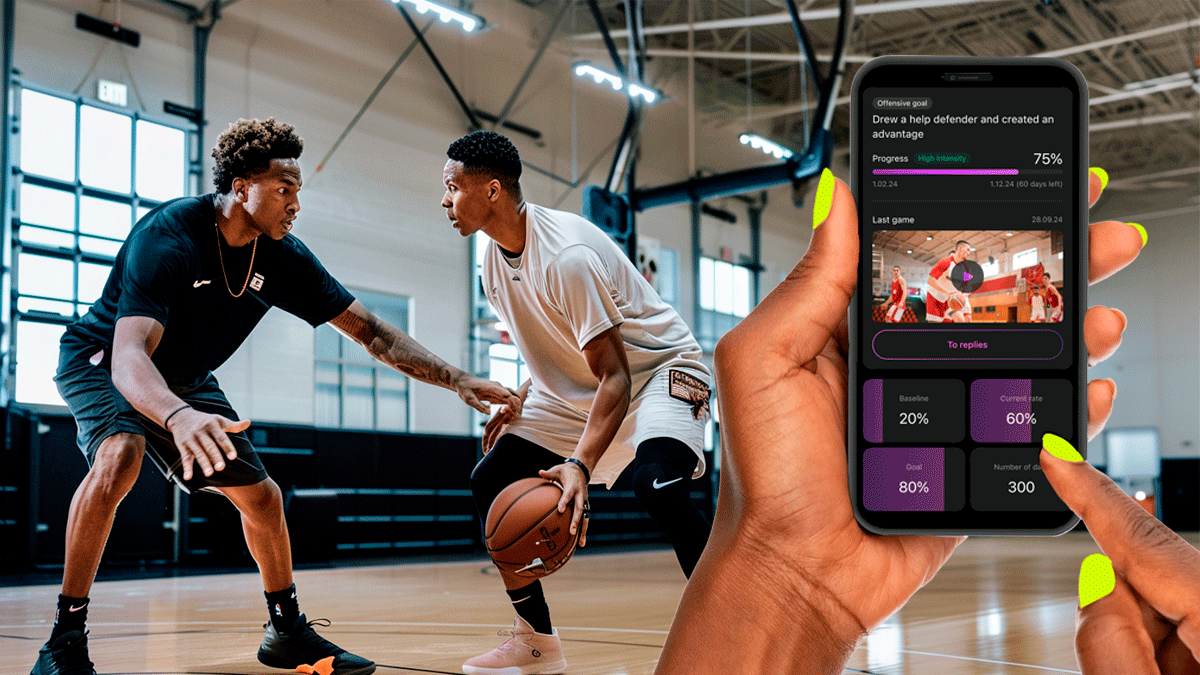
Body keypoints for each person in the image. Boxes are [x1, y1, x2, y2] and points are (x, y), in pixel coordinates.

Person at [31, 118, 521, 675]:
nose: (295, 204)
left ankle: (286, 630)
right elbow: (129, 357)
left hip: (185, 378)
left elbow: (373, 333)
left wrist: (455, 377)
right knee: (122, 455)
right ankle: (65, 639)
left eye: (298, 191)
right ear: (242, 187)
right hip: (105, 360)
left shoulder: (283, 257)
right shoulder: (169, 235)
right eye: (284, 188)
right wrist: (177, 415)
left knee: (262, 498)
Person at [654, 166, 1152, 674]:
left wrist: (789, 587)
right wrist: (786, 576)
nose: (961, 259)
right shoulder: (927, 281)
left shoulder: (983, 279)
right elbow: (933, 298)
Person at [440, 131, 713, 675]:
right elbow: (552, 343)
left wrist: (579, 466)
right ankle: (535, 642)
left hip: (661, 369)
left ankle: (740, 628)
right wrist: (520, 399)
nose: (444, 200)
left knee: (656, 483)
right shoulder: (492, 263)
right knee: (487, 478)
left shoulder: (567, 256)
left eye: (452, 188)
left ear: (492, 191)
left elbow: (615, 374)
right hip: (580, 389)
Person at [925, 241, 973, 322]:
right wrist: (946, 292)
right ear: (960, 248)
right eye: (967, 250)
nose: (969, 253)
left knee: (961, 320)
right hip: (935, 298)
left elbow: (968, 286)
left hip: (950, 300)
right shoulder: (945, 262)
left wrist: (963, 295)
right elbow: (930, 281)